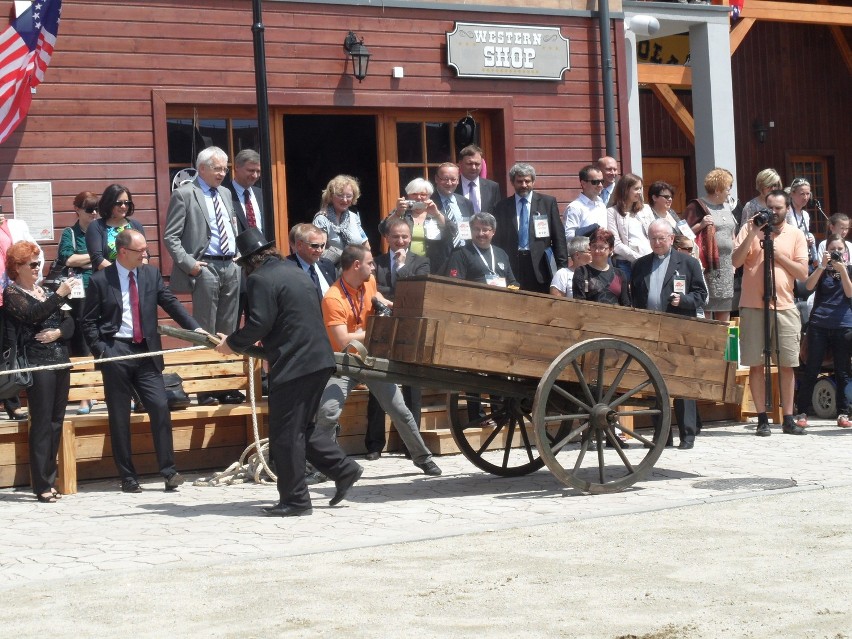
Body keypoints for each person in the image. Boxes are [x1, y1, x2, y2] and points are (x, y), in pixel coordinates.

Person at [215, 228, 364, 516]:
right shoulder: (295, 271)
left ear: (249, 261)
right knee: (302, 430)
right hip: (319, 360)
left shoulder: (259, 279)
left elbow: (259, 323)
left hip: (295, 365)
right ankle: (344, 469)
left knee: (286, 435)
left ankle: (295, 500)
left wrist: (231, 344)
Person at [82, 230, 203, 493]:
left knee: (160, 407)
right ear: (123, 252)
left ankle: (169, 472)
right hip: (117, 351)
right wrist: (103, 350)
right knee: (119, 416)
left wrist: (195, 329)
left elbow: (170, 303)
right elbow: (88, 322)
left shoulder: (150, 274)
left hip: (146, 351)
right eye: (140, 251)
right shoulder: (101, 280)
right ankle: (128, 477)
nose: (145, 254)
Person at [317, 245, 442, 476]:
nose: (374, 267)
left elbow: (377, 296)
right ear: (356, 265)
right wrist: (379, 327)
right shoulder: (332, 298)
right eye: (370, 262)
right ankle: (321, 464)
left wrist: (398, 307)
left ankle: (422, 458)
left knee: (400, 410)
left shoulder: (368, 282)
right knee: (328, 412)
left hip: (370, 359)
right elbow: (343, 340)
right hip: (344, 364)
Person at [164, 146, 242, 406]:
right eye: (218, 168)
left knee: (228, 330)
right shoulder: (184, 194)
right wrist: (190, 265)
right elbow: (171, 237)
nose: (223, 173)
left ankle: (226, 384)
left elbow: (230, 225)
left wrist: (238, 256)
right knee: (206, 329)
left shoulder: (226, 193)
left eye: (225, 168)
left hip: (230, 264)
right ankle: (206, 388)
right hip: (205, 266)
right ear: (202, 169)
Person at [4, 241, 81, 502]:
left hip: (61, 360)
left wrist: (59, 331)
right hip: (39, 364)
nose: (38, 268)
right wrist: (59, 295)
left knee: (56, 422)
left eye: (39, 263)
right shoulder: (12, 294)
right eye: (33, 264)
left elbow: (71, 323)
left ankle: (51, 476)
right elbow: (34, 316)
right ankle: (41, 484)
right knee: (41, 423)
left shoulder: (45, 290)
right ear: (17, 267)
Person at [732, 189, 809, 437]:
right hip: (753, 305)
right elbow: (735, 262)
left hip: (785, 306)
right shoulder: (749, 227)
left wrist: (778, 254)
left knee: (787, 364)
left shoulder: (795, 234)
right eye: (770, 207)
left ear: (787, 209)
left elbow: (802, 274)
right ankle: (762, 419)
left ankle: (788, 417)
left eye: (778, 208)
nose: (773, 212)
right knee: (755, 364)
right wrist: (754, 231)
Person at [631, 220, 708, 449]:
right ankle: (662, 435)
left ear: (671, 239)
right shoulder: (640, 265)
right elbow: (636, 297)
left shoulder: (689, 263)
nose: (656, 243)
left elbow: (701, 295)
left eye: (661, 238)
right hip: (651, 330)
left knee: (682, 383)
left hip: (680, 330)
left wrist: (683, 300)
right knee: (655, 383)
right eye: (653, 238)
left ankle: (687, 435)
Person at [366, 217, 430, 460]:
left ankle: (410, 444)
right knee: (377, 380)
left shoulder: (421, 262)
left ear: (410, 238)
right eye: (395, 237)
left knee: (412, 385)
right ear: (387, 238)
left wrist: (402, 270)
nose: (400, 241)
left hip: (410, 328)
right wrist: (385, 299)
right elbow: (374, 290)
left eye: (404, 237)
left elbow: (417, 291)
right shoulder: (377, 263)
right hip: (381, 328)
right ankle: (373, 444)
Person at [795, 235, 852, 429]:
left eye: (840, 249)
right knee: (812, 368)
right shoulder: (821, 270)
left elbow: (850, 293)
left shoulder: (849, 270)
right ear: (825, 251)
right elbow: (807, 287)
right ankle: (802, 411)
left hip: (843, 325)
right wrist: (821, 266)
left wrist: (843, 271)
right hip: (819, 324)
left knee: (843, 371)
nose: (837, 252)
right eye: (832, 249)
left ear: (846, 252)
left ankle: (843, 413)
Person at [492, 162, 568, 293]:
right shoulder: (502, 206)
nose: (523, 185)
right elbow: (497, 241)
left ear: (533, 181)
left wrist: (562, 269)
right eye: (519, 181)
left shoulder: (547, 203)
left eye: (527, 181)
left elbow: (558, 238)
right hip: (512, 265)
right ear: (512, 182)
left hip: (540, 267)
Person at [0, 208, 43, 421]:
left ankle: (11, 402)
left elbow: (36, 254)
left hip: (11, 295)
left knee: (10, 348)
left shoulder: (16, 226)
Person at [57, 191, 98, 414]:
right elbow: (68, 258)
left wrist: (86, 259)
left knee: (105, 341)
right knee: (82, 343)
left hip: (103, 293)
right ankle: (85, 396)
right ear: (77, 210)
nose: (93, 213)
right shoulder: (70, 233)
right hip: (79, 296)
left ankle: (103, 392)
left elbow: (112, 256)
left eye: (96, 209)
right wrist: (97, 257)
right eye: (89, 209)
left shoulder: (102, 230)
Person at [684, 168, 738, 322]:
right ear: (717, 190)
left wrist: (734, 262)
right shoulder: (697, 206)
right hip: (707, 266)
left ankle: (724, 345)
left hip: (727, 266)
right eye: (728, 188)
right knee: (706, 310)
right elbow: (682, 235)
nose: (729, 192)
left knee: (725, 311)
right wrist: (701, 224)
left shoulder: (727, 206)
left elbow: (731, 234)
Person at [381, 176, 457, 276]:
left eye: (423, 194)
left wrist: (436, 213)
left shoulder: (435, 213)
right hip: (405, 262)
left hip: (434, 264)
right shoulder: (401, 213)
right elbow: (383, 229)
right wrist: (397, 213)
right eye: (414, 194)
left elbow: (453, 231)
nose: (419, 197)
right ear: (408, 196)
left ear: (429, 196)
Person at [447, 212, 519, 287]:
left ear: (493, 231)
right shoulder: (460, 253)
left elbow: (512, 283)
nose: (481, 233)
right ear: (471, 230)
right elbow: (455, 284)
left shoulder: (502, 254)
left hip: (501, 297)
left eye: (485, 230)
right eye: (477, 229)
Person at [85, 183, 145, 271]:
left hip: (134, 278)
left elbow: (145, 254)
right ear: (109, 203)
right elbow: (97, 259)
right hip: (108, 280)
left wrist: (135, 273)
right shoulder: (96, 227)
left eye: (127, 203)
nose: (123, 206)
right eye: (119, 203)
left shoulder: (136, 225)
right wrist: (122, 273)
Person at [606, 173, 654, 281]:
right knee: (628, 295)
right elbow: (616, 243)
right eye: (636, 189)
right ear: (626, 189)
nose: (640, 192)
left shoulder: (646, 209)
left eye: (641, 188)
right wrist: (637, 258)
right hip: (625, 263)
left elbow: (654, 233)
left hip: (648, 259)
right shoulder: (612, 212)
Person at [313, 174, 370, 265]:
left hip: (357, 270)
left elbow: (365, 244)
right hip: (333, 272)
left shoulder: (354, 217)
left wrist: (368, 264)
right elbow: (319, 250)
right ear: (331, 196)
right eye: (340, 195)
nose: (345, 200)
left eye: (349, 196)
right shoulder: (322, 219)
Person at [573, 227, 631, 306]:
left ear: (611, 249)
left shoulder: (620, 274)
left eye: (601, 247)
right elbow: (579, 304)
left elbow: (626, 305)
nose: (597, 251)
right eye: (594, 246)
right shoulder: (581, 272)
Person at [286, 223, 336, 299]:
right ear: (300, 245)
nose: (320, 250)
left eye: (322, 245)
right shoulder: (287, 268)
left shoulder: (327, 265)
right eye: (314, 246)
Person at [227, 149, 267, 238]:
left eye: (258, 171)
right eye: (251, 170)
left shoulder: (262, 194)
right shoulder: (224, 194)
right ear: (237, 167)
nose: (255, 175)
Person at [563, 164, 606, 241]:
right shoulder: (574, 207)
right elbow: (568, 237)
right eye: (595, 182)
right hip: (584, 251)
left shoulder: (601, 204)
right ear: (583, 184)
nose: (600, 185)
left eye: (602, 181)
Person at [456, 144, 502, 215]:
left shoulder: (493, 187)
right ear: (460, 163)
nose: (473, 167)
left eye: (477, 164)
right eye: (469, 163)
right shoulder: (453, 186)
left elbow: (497, 214)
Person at [786, 177, 817, 266]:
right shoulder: (787, 212)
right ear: (792, 194)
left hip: (804, 256)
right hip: (790, 257)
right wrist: (803, 242)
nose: (806, 197)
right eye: (802, 194)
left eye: (808, 194)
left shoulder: (805, 215)